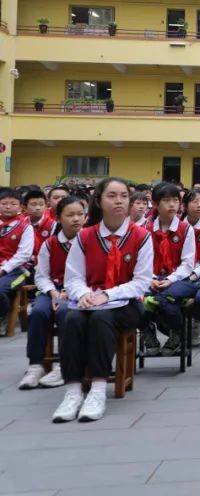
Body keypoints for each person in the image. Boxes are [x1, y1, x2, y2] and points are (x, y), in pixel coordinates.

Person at [52, 177, 152, 423]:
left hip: (126, 304)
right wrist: (84, 294)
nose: (119, 201)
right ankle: (73, 390)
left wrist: (107, 295)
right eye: (112, 196)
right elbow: (73, 277)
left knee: (101, 317)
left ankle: (97, 389)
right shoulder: (85, 236)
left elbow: (141, 282)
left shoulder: (141, 236)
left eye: (123, 196)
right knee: (71, 317)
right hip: (89, 301)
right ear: (98, 201)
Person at [19, 196, 85, 390]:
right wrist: (53, 293)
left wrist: (69, 292)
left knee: (65, 313)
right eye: (70, 215)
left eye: (80, 214)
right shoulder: (50, 244)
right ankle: (35, 365)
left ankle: (64, 365)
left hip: (78, 293)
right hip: (52, 291)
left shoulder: (89, 241)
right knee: (38, 312)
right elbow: (41, 276)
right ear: (58, 217)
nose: (76, 219)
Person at [142, 182, 195, 357]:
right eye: (166, 200)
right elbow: (140, 261)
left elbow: (188, 263)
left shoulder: (185, 228)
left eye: (175, 200)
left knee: (167, 300)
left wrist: (170, 279)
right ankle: (148, 332)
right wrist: (151, 278)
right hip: (150, 277)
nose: (172, 204)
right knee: (133, 300)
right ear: (155, 205)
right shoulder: (144, 229)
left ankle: (177, 334)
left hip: (179, 279)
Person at [0, 188, 35, 330]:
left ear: (21, 207)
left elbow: (24, 255)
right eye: (4, 203)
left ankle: (2, 315)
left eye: (13, 204)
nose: (8, 207)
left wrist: (4, 269)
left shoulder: (25, 227)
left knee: (0, 290)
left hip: (17, 270)